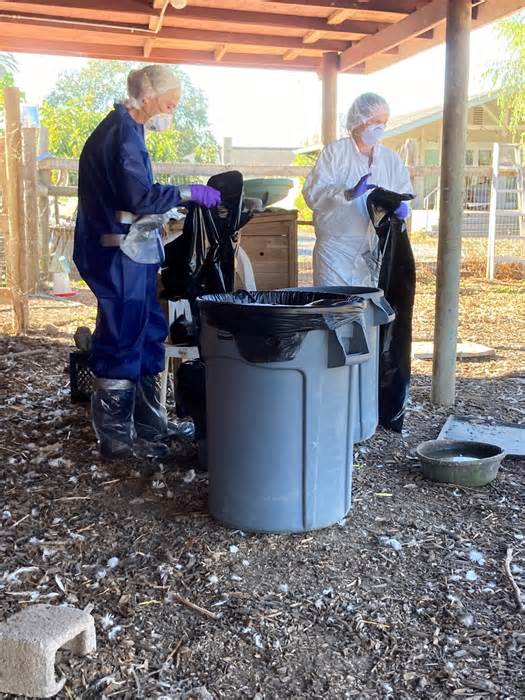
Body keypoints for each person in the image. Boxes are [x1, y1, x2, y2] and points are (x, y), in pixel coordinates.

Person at [74, 64, 221, 459]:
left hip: (129, 249)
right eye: (170, 102)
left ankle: (148, 423)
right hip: (117, 250)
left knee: (147, 329)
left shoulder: (130, 129)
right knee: (124, 334)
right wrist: (185, 193)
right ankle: (118, 437)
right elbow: (138, 196)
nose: (172, 109)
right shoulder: (121, 133)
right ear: (149, 96)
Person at [303, 92, 413, 287]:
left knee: (369, 311)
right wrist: (347, 193)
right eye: (376, 121)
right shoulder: (335, 153)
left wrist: (402, 208)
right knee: (334, 310)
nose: (380, 127)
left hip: (374, 250)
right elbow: (313, 196)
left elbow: (404, 194)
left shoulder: (390, 159)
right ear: (359, 120)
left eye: (384, 122)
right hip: (335, 250)